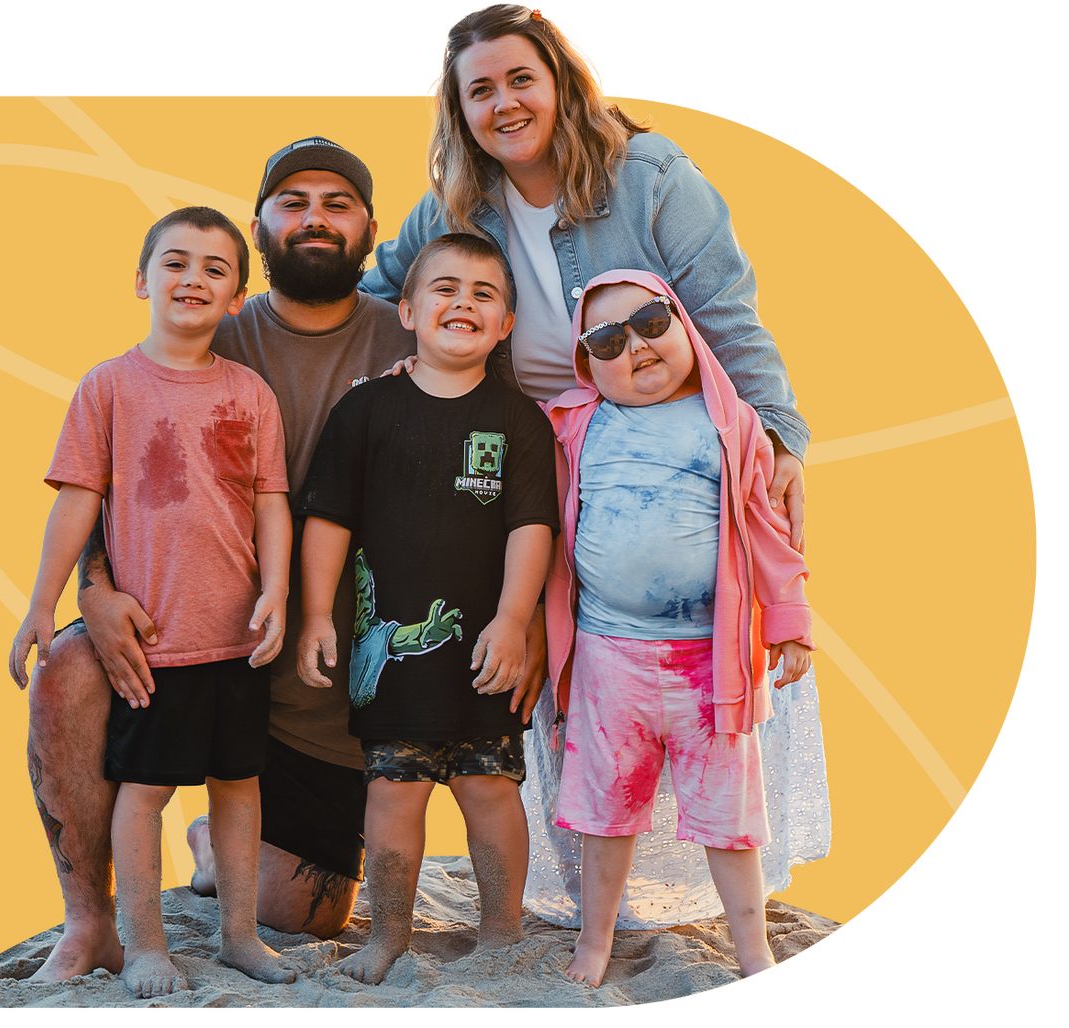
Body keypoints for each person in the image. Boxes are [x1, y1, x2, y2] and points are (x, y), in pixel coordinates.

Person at [370, 0, 830, 933]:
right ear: (460, 113)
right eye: (480, 91)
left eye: (519, 79)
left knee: (690, 632)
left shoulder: (648, 175)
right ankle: (584, 879)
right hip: (547, 448)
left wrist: (775, 440)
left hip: (661, 438)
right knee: (574, 649)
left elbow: (726, 312)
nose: (504, 103)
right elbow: (385, 287)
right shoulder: (458, 203)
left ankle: (710, 880)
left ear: (559, 80)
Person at [15, 137, 417, 983]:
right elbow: (100, 478)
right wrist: (91, 589)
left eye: (337, 203)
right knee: (67, 672)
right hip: (174, 620)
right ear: (261, 229)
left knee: (308, 913)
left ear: (371, 229)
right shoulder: (199, 340)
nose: (314, 217)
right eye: (292, 202)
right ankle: (91, 924)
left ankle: (217, 860)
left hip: (314, 663)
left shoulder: (410, 336)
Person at [9, 207, 298, 997]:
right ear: (141, 280)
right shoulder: (107, 388)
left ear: (237, 296)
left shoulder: (251, 394)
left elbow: (271, 501)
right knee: (145, 796)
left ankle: (238, 934)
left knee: (240, 786)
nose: (193, 279)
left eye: (215, 268)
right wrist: (41, 606)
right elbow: (74, 501)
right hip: (154, 645)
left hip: (236, 636)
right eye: (176, 262)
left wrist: (276, 589)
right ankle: (143, 947)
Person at [293, 233, 558, 983]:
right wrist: (317, 614)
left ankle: (502, 933)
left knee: (491, 791)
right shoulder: (365, 411)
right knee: (392, 793)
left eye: (484, 293)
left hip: (486, 658)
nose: (463, 302)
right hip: (390, 663)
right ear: (406, 310)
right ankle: (389, 937)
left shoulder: (518, 421)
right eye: (444, 288)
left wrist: (513, 619)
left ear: (506, 324)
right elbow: (329, 522)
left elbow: (530, 528)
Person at [542, 269, 814, 985]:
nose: (634, 346)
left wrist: (788, 622)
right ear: (586, 361)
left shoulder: (731, 425)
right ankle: (595, 940)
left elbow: (770, 532)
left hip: (709, 661)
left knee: (731, 817)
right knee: (607, 812)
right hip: (607, 655)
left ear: (684, 327)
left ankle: (752, 948)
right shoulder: (575, 423)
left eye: (650, 323)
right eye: (607, 338)